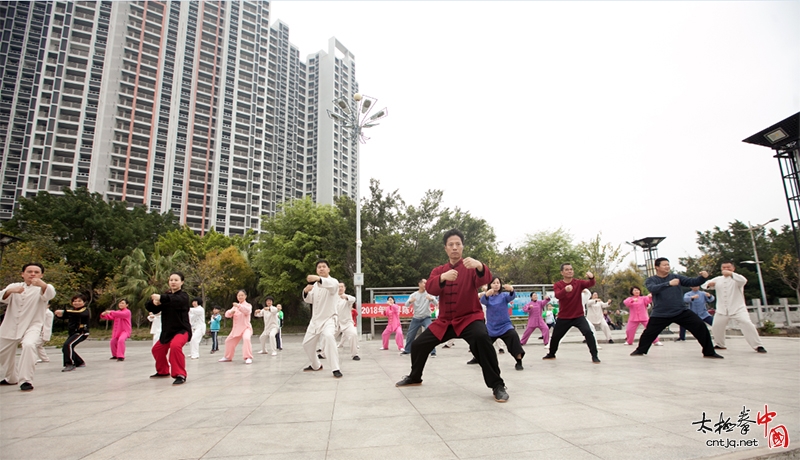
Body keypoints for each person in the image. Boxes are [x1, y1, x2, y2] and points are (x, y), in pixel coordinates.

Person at [395, 229, 508, 403]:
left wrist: (479, 265)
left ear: (462, 247)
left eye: (458, 244)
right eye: (451, 245)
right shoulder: (439, 270)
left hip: (469, 318)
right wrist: (443, 277)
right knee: (418, 344)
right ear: (445, 248)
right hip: (445, 322)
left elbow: (485, 278)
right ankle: (415, 377)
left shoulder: (471, 267)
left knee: (482, 339)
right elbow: (431, 288)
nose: (454, 248)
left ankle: (497, 385)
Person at [632, 258, 720, 358]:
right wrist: (668, 284)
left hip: (681, 311)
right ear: (657, 267)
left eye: (668, 264)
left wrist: (702, 278)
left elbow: (691, 281)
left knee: (700, 327)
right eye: (664, 265)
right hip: (661, 313)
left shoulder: (676, 277)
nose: (667, 267)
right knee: (649, 333)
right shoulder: (651, 280)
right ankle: (640, 350)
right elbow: (653, 289)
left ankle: (709, 352)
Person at [0, 263, 56, 391]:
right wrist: (10, 291)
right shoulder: (14, 286)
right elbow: (2, 296)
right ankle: (11, 377)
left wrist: (41, 284)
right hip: (10, 325)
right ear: (22, 274)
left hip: (32, 325)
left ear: (41, 275)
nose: (33, 274)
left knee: (29, 345)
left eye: (36, 272)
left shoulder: (44, 288)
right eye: (29, 271)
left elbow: (50, 294)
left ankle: (26, 380)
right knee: (3, 353)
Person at [704, 261, 767, 353]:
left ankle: (758, 345)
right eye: (724, 268)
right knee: (716, 326)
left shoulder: (737, 279)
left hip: (738, 308)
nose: (726, 269)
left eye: (728, 267)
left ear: (733, 268)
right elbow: (705, 285)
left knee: (747, 323)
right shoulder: (718, 279)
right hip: (722, 309)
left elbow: (743, 280)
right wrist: (709, 285)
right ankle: (720, 344)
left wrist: (731, 274)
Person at [543, 264, 600, 363]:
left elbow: (591, 284)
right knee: (556, 336)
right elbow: (558, 295)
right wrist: (565, 290)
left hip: (578, 316)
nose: (570, 271)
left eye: (571, 269)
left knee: (588, 333)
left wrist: (592, 278)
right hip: (564, 317)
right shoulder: (558, 285)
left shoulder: (578, 283)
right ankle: (551, 354)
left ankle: (595, 356)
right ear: (562, 272)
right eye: (567, 270)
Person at [145, 272, 192, 384]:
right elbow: (153, 309)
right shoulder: (166, 297)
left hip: (182, 330)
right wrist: (154, 302)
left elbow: (176, 301)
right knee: (157, 350)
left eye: (176, 280)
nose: (173, 282)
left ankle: (180, 374)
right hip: (167, 332)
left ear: (182, 282)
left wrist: (161, 298)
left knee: (175, 346)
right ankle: (163, 371)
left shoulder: (183, 296)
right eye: (171, 280)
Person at [302, 259, 343, 378]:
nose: (321, 268)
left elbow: (331, 286)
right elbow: (309, 299)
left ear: (328, 269)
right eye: (319, 267)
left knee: (329, 337)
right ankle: (316, 365)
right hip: (315, 320)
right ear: (316, 270)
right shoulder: (314, 286)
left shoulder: (333, 282)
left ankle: (335, 368)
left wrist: (318, 279)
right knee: (306, 344)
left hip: (329, 319)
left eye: (323, 266)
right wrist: (305, 291)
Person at [480, 277, 525, 370]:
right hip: (491, 327)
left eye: (498, 283)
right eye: (493, 283)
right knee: (482, 342)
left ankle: (519, 362)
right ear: (490, 285)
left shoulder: (504, 295)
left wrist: (512, 290)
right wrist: (486, 295)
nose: (496, 284)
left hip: (505, 326)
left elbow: (511, 296)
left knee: (514, 338)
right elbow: (483, 301)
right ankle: (477, 358)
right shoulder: (488, 296)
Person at [402, 279, 438, 357]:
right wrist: (410, 301)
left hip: (426, 318)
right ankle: (407, 350)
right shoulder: (414, 295)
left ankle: (433, 351)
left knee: (430, 332)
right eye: (424, 283)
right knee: (410, 334)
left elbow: (436, 303)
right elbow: (406, 305)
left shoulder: (429, 294)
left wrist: (431, 299)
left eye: (426, 283)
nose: (425, 284)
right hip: (416, 318)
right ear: (419, 284)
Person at [56, 294, 91, 372]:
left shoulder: (85, 310)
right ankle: (79, 362)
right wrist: (58, 315)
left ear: (84, 302)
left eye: (79, 301)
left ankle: (69, 364)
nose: (76, 303)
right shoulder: (73, 311)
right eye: (75, 301)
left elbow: (78, 313)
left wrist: (63, 311)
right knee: (66, 348)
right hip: (73, 333)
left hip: (81, 332)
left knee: (68, 345)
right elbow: (67, 316)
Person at [219, 290, 254, 364]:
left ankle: (248, 357)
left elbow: (247, 311)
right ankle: (228, 357)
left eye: (242, 295)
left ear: (245, 296)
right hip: (236, 329)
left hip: (246, 328)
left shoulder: (248, 305)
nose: (240, 297)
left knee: (246, 338)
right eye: (238, 295)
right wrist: (230, 312)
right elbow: (227, 315)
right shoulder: (235, 307)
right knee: (228, 341)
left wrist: (239, 306)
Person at [335, 283, 360, 360]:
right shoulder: (332, 297)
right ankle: (323, 353)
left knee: (353, 334)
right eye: (338, 287)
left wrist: (345, 297)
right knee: (328, 337)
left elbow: (353, 299)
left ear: (344, 288)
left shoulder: (347, 298)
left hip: (347, 322)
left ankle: (355, 354)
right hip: (335, 323)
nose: (340, 288)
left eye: (342, 287)